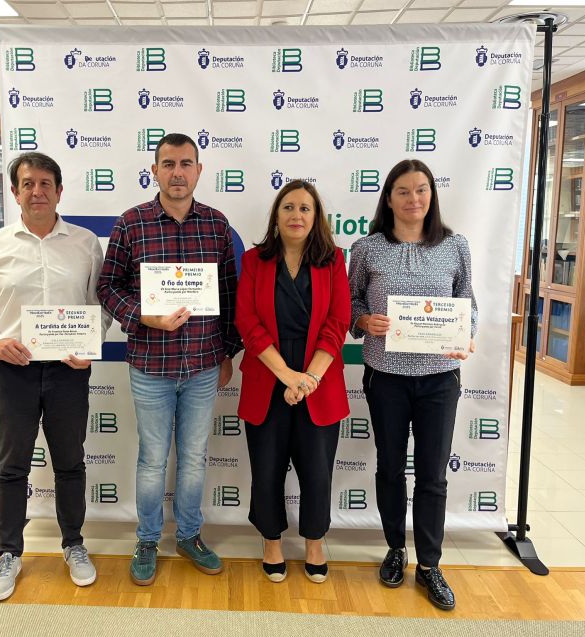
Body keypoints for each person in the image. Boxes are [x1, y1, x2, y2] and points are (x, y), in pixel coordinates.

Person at [0, 152, 110, 601]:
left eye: (45, 183)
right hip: (12, 371)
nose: (37, 191)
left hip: (67, 372)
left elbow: (99, 305)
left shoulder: (84, 243)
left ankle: (74, 545)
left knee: (70, 462)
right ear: (15, 191)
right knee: (12, 466)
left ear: (60, 191)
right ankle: (9, 552)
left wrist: (89, 345)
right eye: (28, 184)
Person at [97, 133, 243, 586]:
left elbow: (229, 296)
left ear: (199, 171)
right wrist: (145, 316)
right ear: (154, 171)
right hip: (150, 367)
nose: (177, 172)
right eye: (168, 164)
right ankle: (146, 538)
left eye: (186, 163)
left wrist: (226, 353)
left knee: (195, 458)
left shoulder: (217, 226)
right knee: (152, 460)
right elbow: (107, 287)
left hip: (202, 365)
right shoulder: (131, 223)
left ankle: (190, 535)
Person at [348, 158, 477, 611]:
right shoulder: (366, 248)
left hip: (440, 379)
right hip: (386, 377)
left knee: (433, 476)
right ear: (389, 198)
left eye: (421, 190)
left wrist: (466, 336)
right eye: (403, 191)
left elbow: (468, 304)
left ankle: (429, 566)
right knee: (389, 468)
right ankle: (394, 549)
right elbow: (350, 301)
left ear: (431, 195)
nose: (413, 199)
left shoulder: (455, 245)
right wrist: (362, 319)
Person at [235, 180, 350, 584]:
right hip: (269, 380)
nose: (296, 215)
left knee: (317, 471)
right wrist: (287, 375)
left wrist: (309, 379)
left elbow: (338, 324)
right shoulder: (254, 261)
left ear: (316, 216)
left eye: (305, 208)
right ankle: (271, 541)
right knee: (266, 469)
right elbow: (247, 324)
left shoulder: (334, 260)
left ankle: (315, 541)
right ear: (276, 215)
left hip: (318, 380)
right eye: (288, 207)